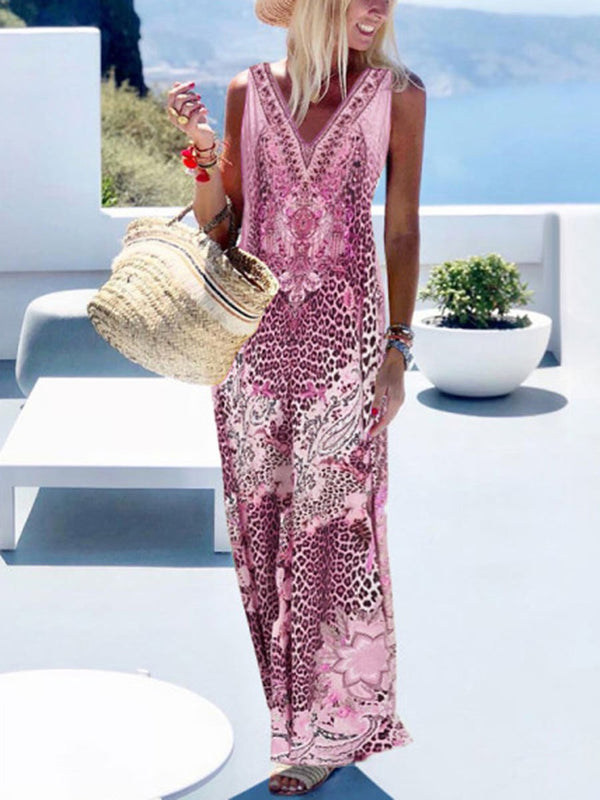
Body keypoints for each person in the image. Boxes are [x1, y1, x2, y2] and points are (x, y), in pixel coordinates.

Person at [166, 0, 426, 794]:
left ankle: (330, 731)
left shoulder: (398, 94)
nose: (379, 7)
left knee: (338, 536)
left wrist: (397, 349)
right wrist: (203, 155)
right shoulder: (247, 92)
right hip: (255, 354)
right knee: (265, 533)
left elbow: (402, 228)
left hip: (347, 352)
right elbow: (225, 228)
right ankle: (294, 717)